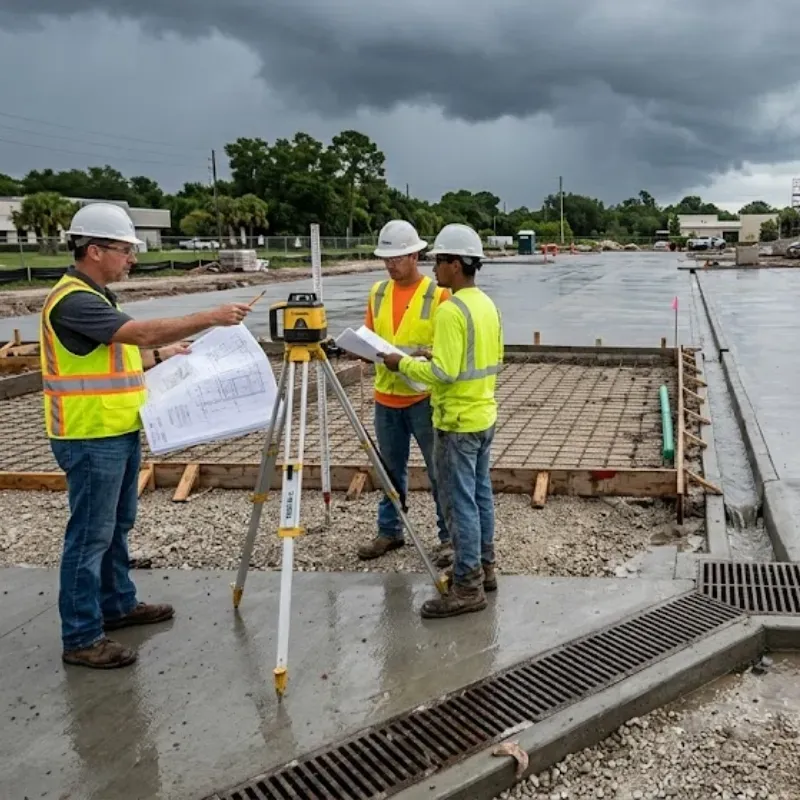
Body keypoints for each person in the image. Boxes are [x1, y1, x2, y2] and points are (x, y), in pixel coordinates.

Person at [40, 202, 253, 669]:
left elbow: (112, 355)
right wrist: (209, 316)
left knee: (115, 527)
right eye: (124, 250)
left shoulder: (95, 296)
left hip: (116, 429)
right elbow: (135, 334)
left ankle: (116, 604)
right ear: (93, 250)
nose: (132, 258)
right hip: (89, 436)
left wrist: (164, 356)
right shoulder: (74, 300)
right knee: (89, 536)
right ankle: (81, 636)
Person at [380, 223, 503, 618]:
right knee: (480, 494)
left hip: (456, 420)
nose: (434, 269)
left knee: (458, 502)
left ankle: (467, 586)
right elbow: (486, 360)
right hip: (483, 414)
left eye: (439, 261)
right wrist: (437, 357)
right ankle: (485, 568)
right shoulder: (485, 304)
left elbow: (446, 374)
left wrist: (405, 363)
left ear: (456, 264)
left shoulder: (451, 309)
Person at [356, 219, 453, 567]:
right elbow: (370, 335)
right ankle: (390, 529)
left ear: (415, 255)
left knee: (438, 469)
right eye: (386, 258)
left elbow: (446, 349)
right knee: (389, 470)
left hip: (424, 398)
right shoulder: (378, 292)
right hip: (386, 398)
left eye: (396, 258)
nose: (390, 264)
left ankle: (448, 537)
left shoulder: (439, 295)